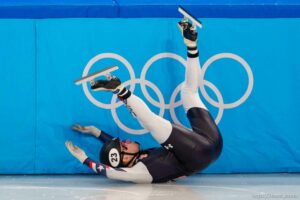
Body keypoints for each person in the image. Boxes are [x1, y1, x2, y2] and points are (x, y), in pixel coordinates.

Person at [65, 20, 223, 183]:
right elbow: (112, 172)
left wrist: (95, 132)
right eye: (124, 146)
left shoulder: (133, 156)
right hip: (198, 154)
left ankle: (191, 44)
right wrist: (85, 159)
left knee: (189, 92)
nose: (126, 141)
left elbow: (113, 146)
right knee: (150, 122)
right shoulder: (140, 172)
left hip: (213, 143)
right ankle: (119, 89)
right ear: (125, 160)